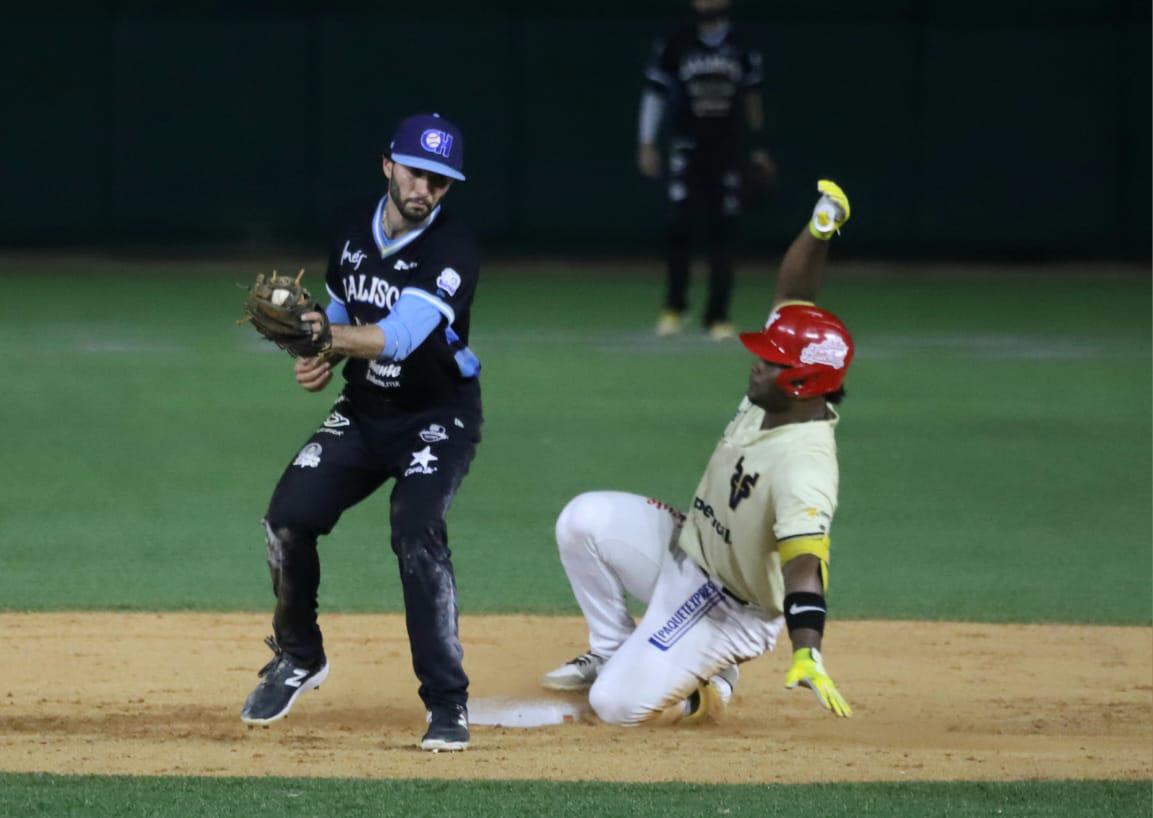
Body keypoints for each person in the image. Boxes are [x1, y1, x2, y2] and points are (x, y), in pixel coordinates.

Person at [541, 181, 853, 725]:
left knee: (613, 708)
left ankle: (711, 685)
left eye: (773, 361)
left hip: (731, 608)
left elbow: (805, 567)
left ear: (804, 382)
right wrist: (820, 229)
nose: (757, 363)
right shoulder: (777, 400)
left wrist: (807, 649)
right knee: (581, 520)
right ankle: (616, 648)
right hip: (687, 551)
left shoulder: (806, 465)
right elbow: (792, 294)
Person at [240, 113, 482, 752]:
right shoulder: (352, 234)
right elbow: (345, 312)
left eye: (440, 181)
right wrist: (317, 352)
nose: (425, 188)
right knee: (287, 519)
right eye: (416, 172)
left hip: (437, 417)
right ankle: (298, 656)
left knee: (415, 531)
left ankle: (447, 703)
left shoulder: (452, 252)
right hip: (367, 410)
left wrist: (327, 335)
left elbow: (399, 335)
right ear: (388, 165)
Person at [639, 0, 777, 340]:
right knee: (679, 228)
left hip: (727, 150)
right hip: (687, 148)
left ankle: (718, 315)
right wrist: (646, 141)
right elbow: (654, 93)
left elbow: (752, 99)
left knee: (724, 232)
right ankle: (674, 307)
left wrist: (758, 147)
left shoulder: (741, 45)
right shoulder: (676, 42)